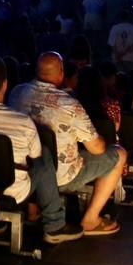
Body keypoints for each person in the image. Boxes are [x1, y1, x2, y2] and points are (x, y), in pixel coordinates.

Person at [0, 57, 83, 244]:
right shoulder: (21, 122)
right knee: (44, 158)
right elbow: (36, 159)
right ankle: (54, 225)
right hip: (10, 188)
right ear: (5, 85)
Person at [8, 52, 123, 236]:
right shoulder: (69, 105)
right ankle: (91, 219)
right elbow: (97, 148)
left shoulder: (17, 93)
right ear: (61, 73)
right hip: (61, 177)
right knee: (119, 154)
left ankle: (34, 208)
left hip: (25, 170)